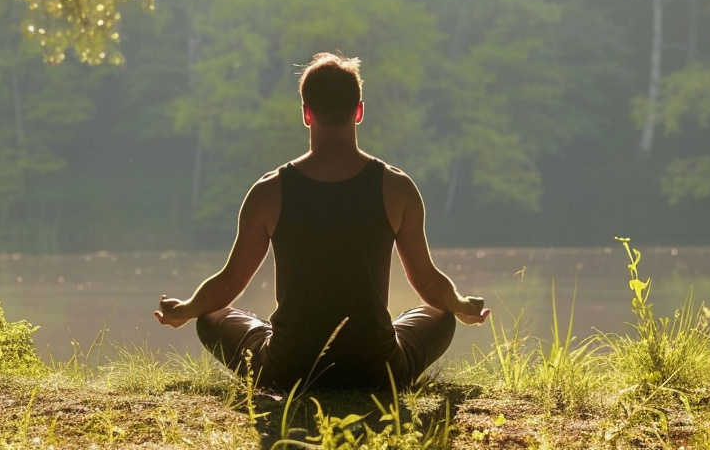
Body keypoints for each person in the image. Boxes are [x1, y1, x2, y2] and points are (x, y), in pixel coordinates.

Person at [154, 52, 489, 393]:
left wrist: (186, 309)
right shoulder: (397, 187)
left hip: (288, 371)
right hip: (378, 372)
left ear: (306, 113)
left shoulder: (269, 191)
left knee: (209, 318)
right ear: (359, 112)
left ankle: (276, 339)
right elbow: (429, 284)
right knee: (441, 314)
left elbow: (228, 284)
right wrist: (460, 305)